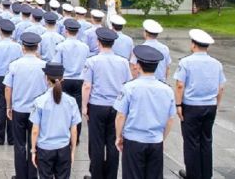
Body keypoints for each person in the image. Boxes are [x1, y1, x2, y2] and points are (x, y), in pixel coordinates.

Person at [114, 45, 176, 179]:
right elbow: (170, 119)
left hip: (134, 140)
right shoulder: (167, 90)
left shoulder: (129, 87)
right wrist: (162, 138)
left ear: (138, 65)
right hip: (155, 140)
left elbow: (120, 115)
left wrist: (118, 136)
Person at [174, 29, 226, 179]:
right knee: (206, 140)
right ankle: (206, 174)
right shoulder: (217, 64)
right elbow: (221, 87)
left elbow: (179, 85)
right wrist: (216, 104)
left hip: (191, 106)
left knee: (191, 142)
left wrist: (178, 105)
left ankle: (193, 174)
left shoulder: (186, 62)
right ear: (207, 47)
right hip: (210, 106)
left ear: (193, 45)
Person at [81, 28, 132, 179]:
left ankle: (96, 175)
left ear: (98, 42)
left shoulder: (92, 61)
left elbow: (87, 85)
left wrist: (84, 106)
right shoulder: (123, 62)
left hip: (97, 105)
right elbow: (128, 84)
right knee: (113, 142)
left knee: (96, 143)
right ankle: (111, 176)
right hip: (116, 106)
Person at [4, 32, 47, 179]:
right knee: (35, 144)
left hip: (19, 109)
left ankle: (21, 175)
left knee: (20, 145)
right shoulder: (44, 66)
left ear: (23, 47)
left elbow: (8, 88)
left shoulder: (14, 65)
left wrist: (8, 106)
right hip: (38, 111)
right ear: (37, 47)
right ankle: (33, 174)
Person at [30, 62, 81, 179]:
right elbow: (74, 130)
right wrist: (72, 151)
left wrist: (33, 151)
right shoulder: (71, 101)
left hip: (45, 149)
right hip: (63, 148)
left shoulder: (39, 101)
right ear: (62, 79)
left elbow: (35, 130)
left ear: (46, 78)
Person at [53, 18, 89, 145]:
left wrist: (54, 82)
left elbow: (56, 65)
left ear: (66, 31)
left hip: (65, 79)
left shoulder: (61, 46)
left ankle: (62, 134)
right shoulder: (85, 47)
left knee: (62, 107)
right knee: (77, 109)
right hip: (79, 80)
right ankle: (76, 137)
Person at [0, 19, 22, 146]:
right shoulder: (18, 46)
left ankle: (0, 136)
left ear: (1, 32)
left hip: (0, 78)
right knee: (12, 105)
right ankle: (12, 137)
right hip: (14, 78)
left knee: (0, 107)